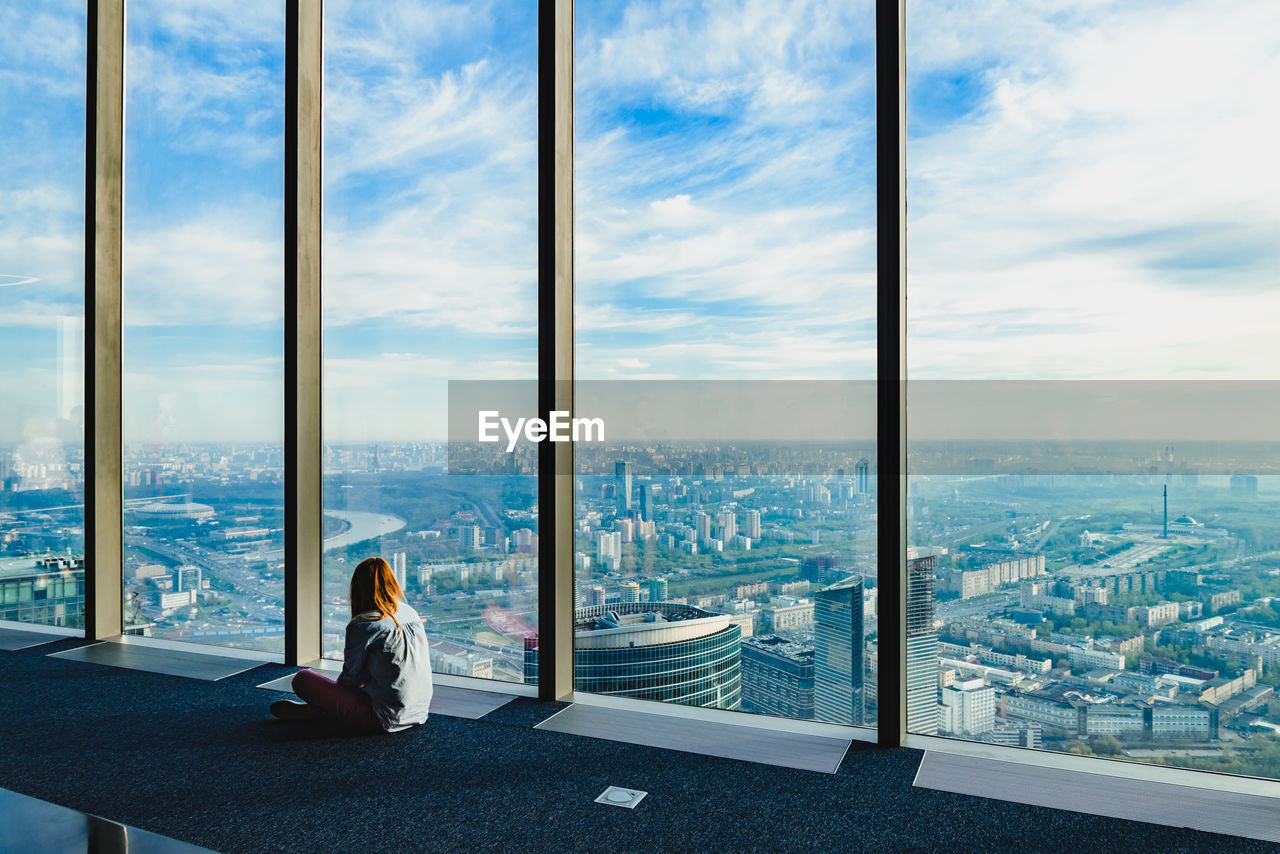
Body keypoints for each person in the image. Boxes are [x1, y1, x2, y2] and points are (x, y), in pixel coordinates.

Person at [269, 556, 433, 732]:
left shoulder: (364, 624)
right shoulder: (410, 613)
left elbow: (351, 679)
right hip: (419, 712)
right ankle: (325, 711)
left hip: (382, 718)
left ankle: (322, 711)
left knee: (302, 679)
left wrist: (330, 696)